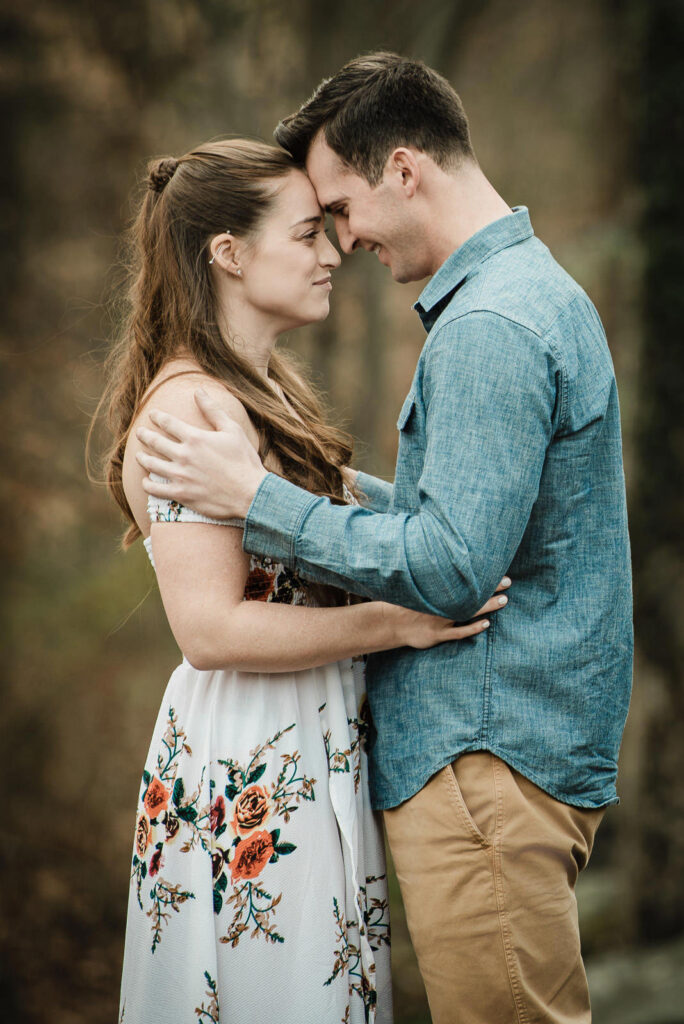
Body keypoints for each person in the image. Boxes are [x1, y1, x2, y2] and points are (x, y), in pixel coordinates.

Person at [137, 55, 634, 1024]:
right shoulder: (523, 296)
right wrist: (276, 486)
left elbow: (449, 567)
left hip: (487, 748)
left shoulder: (489, 322)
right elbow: (463, 514)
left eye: (341, 207)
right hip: (494, 746)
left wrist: (262, 499)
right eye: (312, 224)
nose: (343, 238)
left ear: (404, 169)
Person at [101, 137, 509, 1024]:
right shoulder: (185, 411)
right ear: (230, 254)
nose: (332, 254)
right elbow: (210, 631)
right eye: (305, 235)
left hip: (305, 735)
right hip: (248, 753)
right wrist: (394, 623)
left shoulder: (258, 390)